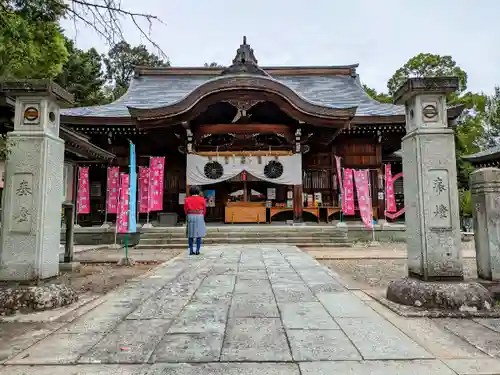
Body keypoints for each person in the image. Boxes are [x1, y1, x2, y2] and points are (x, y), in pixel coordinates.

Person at [184, 185, 207, 255]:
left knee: (190, 234)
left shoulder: (187, 199)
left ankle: (191, 250)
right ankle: (197, 250)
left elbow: (185, 209)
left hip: (190, 215)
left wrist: (188, 215)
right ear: (198, 191)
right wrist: (201, 215)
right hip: (199, 216)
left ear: (190, 192)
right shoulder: (202, 199)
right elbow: (204, 210)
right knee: (199, 234)